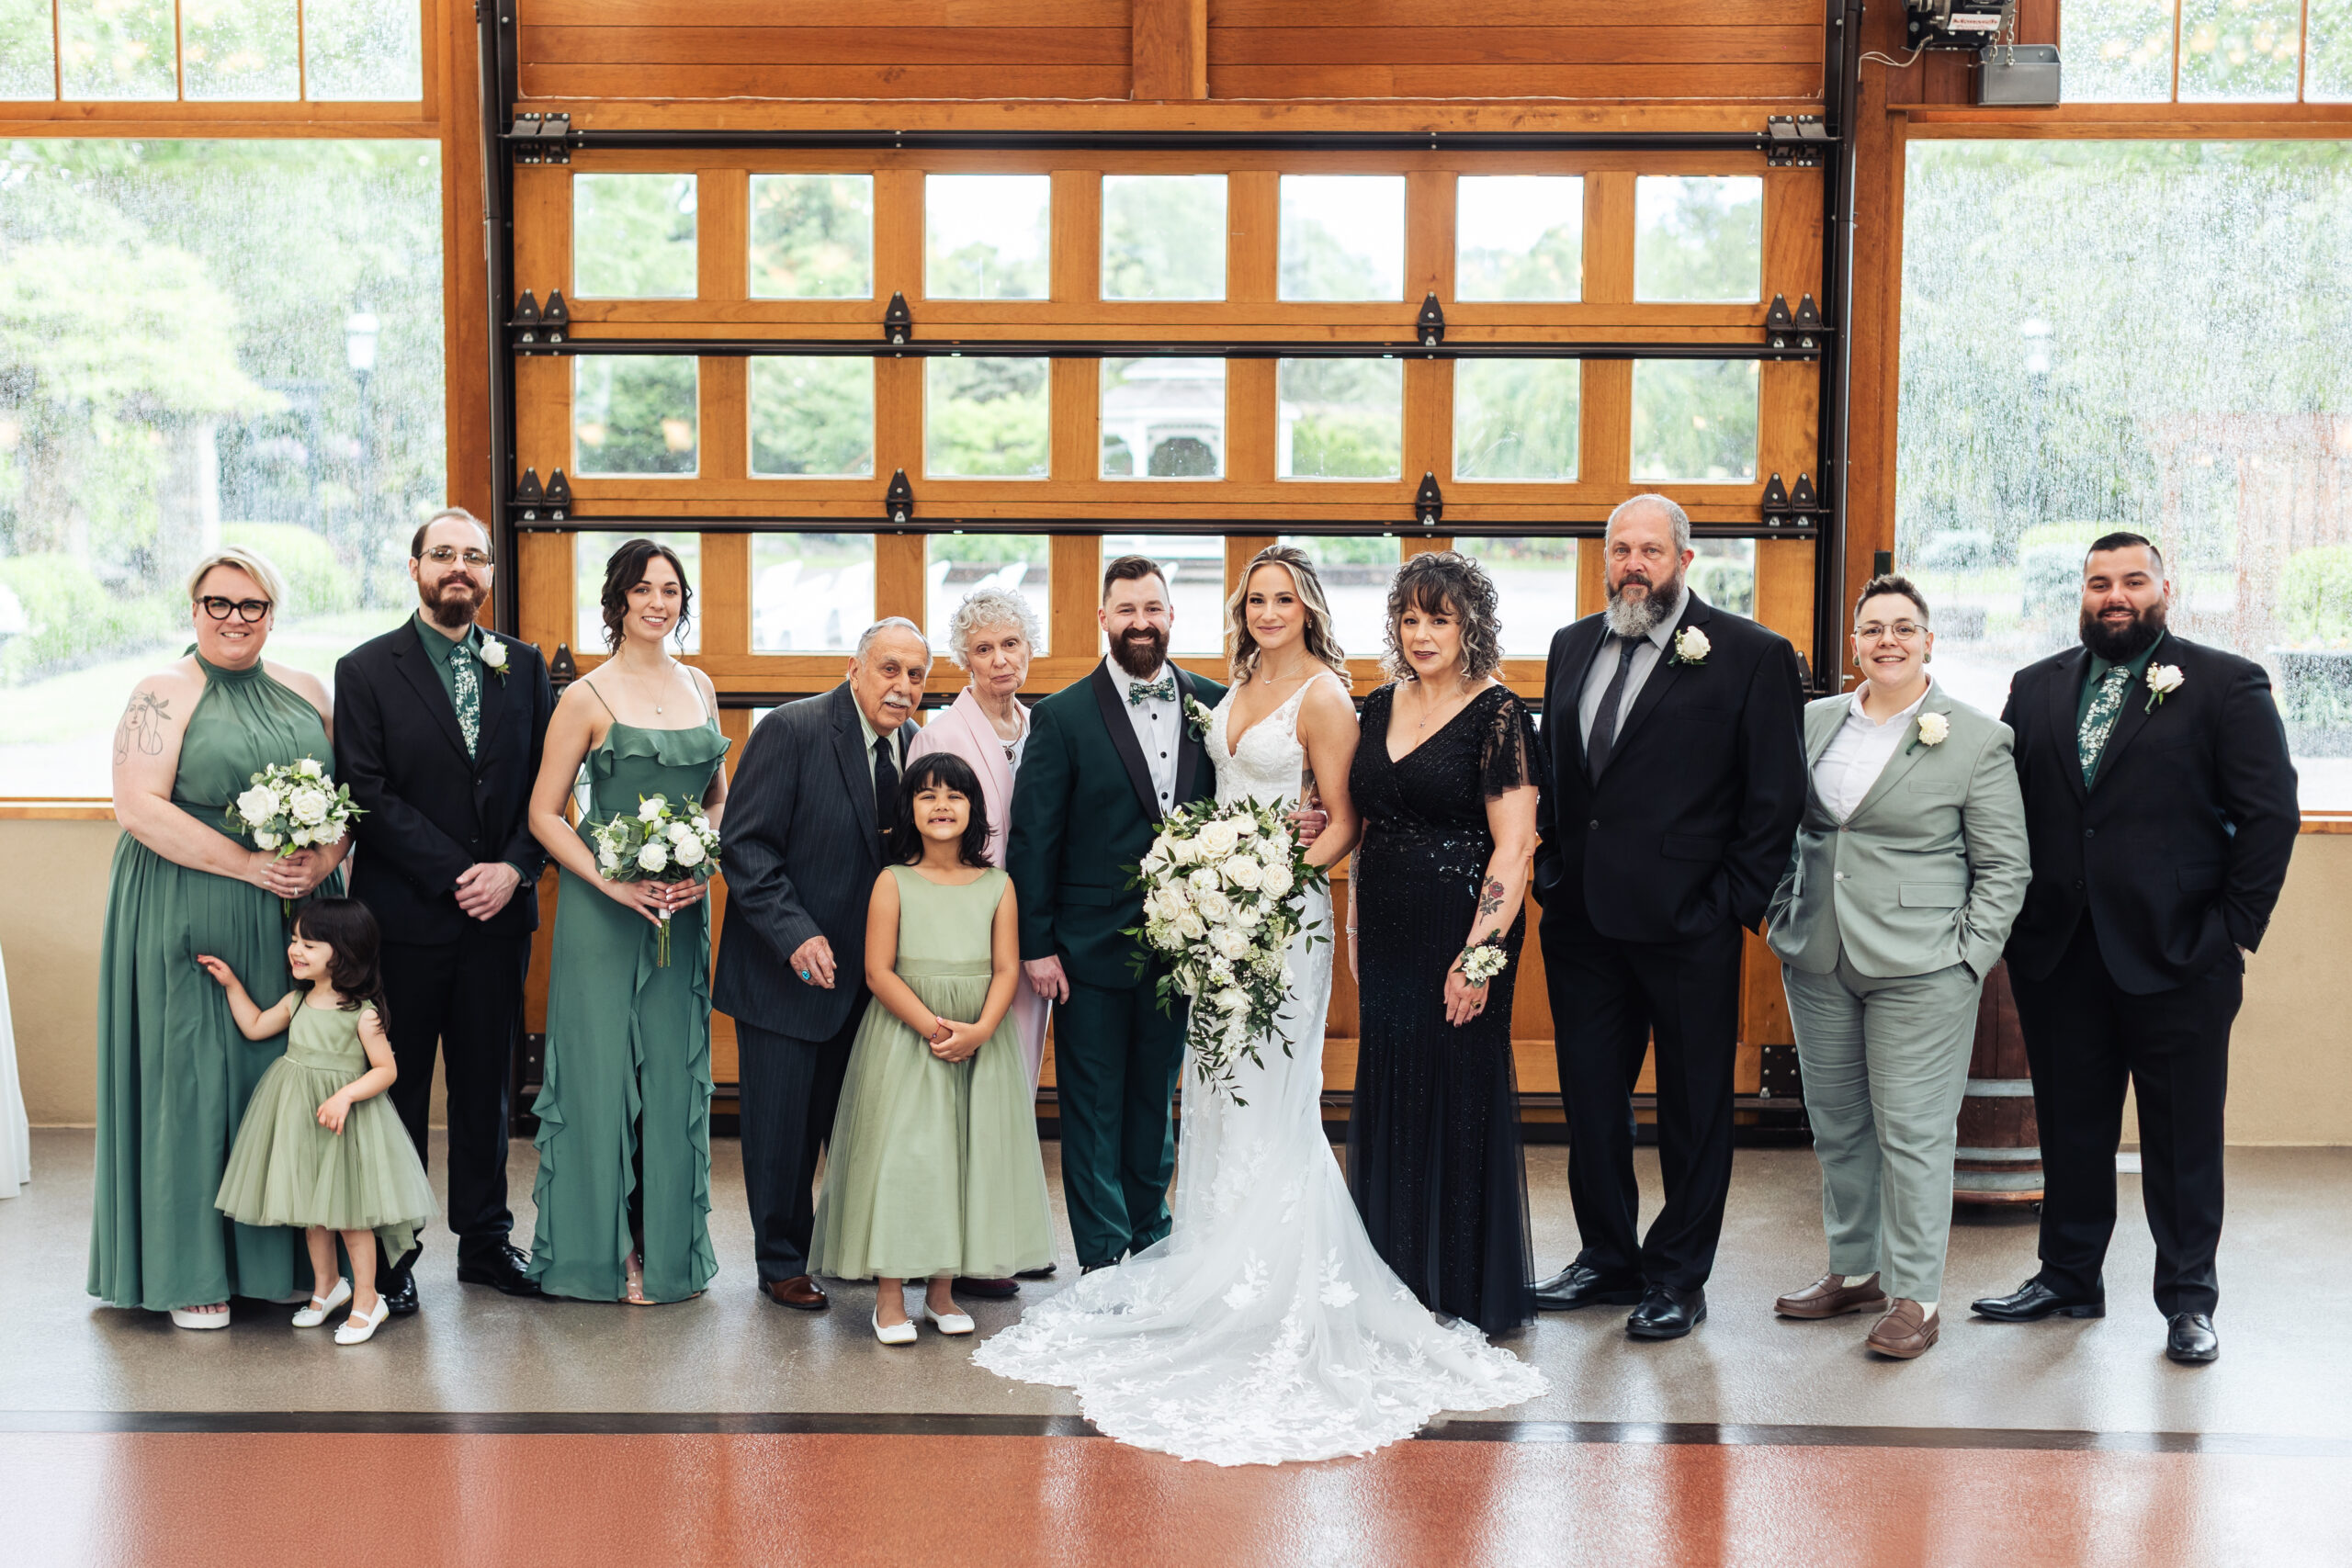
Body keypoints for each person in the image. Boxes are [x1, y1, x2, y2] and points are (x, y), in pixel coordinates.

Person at [978, 545, 1546, 1467]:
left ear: (1308, 607)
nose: (1269, 612)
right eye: (1256, 600)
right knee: (1213, 1093)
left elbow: (1346, 818)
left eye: (1284, 598)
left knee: (1273, 1094)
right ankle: (1217, 1257)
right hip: (1220, 921)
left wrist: (1269, 882)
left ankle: (1282, 1277)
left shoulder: (1327, 697)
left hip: (1280, 919)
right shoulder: (1230, 690)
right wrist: (1212, 887)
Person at [1972, 533, 2298, 1365]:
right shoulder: (2035, 686)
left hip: (2180, 953)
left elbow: (2270, 816)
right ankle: (2068, 1276)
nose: (2114, 595)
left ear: (2164, 589)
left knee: (2182, 1137)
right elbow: (2005, 808)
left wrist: (2231, 929)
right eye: (2098, 582)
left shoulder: (2225, 683)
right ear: (2082, 594)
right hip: (2059, 954)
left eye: (2132, 580)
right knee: (2070, 1128)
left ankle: (2189, 1300)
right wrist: (2014, 923)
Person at [1531, 494, 1807, 1340]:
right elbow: (1557, 775)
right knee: (1591, 1102)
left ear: (1685, 560)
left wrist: (1727, 906)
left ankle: (1679, 1277)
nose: (1633, 564)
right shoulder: (1571, 643)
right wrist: (1551, 873)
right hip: (1582, 923)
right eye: (1620, 549)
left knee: (1693, 1110)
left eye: (1651, 550)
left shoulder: (1753, 655)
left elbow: (1775, 799)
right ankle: (1607, 1257)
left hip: (1690, 926)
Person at [1765, 575, 2030, 1359]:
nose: (1888, 640)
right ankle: (1855, 1270)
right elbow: (1783, 825)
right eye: (1873, 628)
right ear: (1854, 643)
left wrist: (1968, 958)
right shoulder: (1812, 722)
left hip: (1924, 965)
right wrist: (1783, 910)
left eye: (1904, 627)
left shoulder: (1976, 737)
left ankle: (1917, 1294)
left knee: (1913, 1132)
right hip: (1818, 954)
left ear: (1928, 641)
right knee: (1839, 1123)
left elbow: (2005, 866)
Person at [89, 547, 347, 1329]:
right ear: (194, 608)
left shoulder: (308, 690)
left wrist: (321, 862)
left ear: (272, 612)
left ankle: (290, 1261)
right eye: (218, 603)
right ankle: (189, 1266)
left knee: (286, 1077)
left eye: (251, 604)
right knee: (192, 1078)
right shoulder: (162, 690)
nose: (235, 618)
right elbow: (137, 806)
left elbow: (346, 797)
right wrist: (248, 866)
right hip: (186, 903)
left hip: (291, 913)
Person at [334, 508, 554, 1314]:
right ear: (416, 567)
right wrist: (462, 872)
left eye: (474, 556)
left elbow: (548, 784)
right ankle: (393, 1251)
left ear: (489, 573)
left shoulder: (523, 665)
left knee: (488, 1085)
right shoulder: (364, 669)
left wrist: (514, 869)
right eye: (443, 554)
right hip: (404, 917)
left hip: (499, 919)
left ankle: (486, 1241)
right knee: (399, 1086)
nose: (459, 567)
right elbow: (365, 790)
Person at [1001, 557, 1224, 1275]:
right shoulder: (1062, 715)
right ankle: (1102, 1260)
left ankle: (1151, 1240)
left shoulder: (1214, 704)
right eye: (1126, 609)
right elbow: (1034, 837)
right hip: (1086, 947)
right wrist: (1037, 944)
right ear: (1103, 618)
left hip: (1182, 945)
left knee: (1156, 1100)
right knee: (1093, 1106)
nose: (1140, 622)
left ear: (1171, 615)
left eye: (1152, 608)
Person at [524, 540, 729, 1304]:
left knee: (672, 1075)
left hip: (680, 907)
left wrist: (703, 862)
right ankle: (604, 1255)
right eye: (642, 588)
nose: (657, 602)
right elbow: (545, 814)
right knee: (603, 1072)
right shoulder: (585, 696)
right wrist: (611, 880)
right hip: (604, 911)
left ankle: (666, 1251)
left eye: (670, 589)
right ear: (616, 601)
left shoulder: (701, 685)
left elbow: (716, 797)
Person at [1346, 550, 1544, 1337]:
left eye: (1440, 619)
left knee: (1456, 1091)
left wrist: (1480, 956)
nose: (1422, 633)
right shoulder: (1375, 706)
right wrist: (1354, 929)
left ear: (1471, 627)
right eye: (1410, 617)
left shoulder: (1499, 714)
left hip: (1462, 929)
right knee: (1392, 1086)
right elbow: (1364, 828)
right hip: (1386, 931)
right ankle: (1391, 1277)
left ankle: (1457, 1285)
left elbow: (1515, 848)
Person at [715, 617, 929, 1313]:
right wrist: (796, 935)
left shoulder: (916, 747)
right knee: (782, 1133)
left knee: (859, 1127)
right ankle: (780, 1262)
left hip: (869, 981)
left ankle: (849, 1250)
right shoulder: (792, 729)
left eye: (916, 675)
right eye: (890, 669)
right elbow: (746, 847)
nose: (903, 686)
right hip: (786, 974)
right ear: (854, 668)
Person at [808, 753, 1054, 1343]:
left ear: (975, 809)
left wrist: (980, 1030)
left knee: (962, 1158)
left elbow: (1005, 969)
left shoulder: (998, 885)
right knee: (906, 1159)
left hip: (978, 1039)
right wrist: (935, 1029)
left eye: (954, 795)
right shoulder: (893, 882)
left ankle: (942, 1295)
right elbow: (878, 971)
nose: (941, 805)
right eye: (927, 795)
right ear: (909, 811)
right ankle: (890, 1297)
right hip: (907, 1037)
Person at [202, 897, 435, 1347]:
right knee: (313, 1213)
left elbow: (386, 1070)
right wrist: (231, 984)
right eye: (295, 940)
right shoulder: (297, 1002)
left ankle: (368, 1298)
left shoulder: (362, 1013)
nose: (296, 950)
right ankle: (327, 1286)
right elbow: (254, 1025)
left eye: (309, 944)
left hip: (345, 1125)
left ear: (344, 952)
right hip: (299, 1117)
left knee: (350, 1216)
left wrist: (346, 1095)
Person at [905, 589, 1051, 1095]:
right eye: (983, 649)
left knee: (1019, 1070)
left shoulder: (1044, 729)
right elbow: (919, 849)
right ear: (965, 660)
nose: (1000, 660)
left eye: (1011, 644)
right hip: (962, 934)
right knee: (962, 1075)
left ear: (1029, 647)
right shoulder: (938, 738)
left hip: (1031, 926)